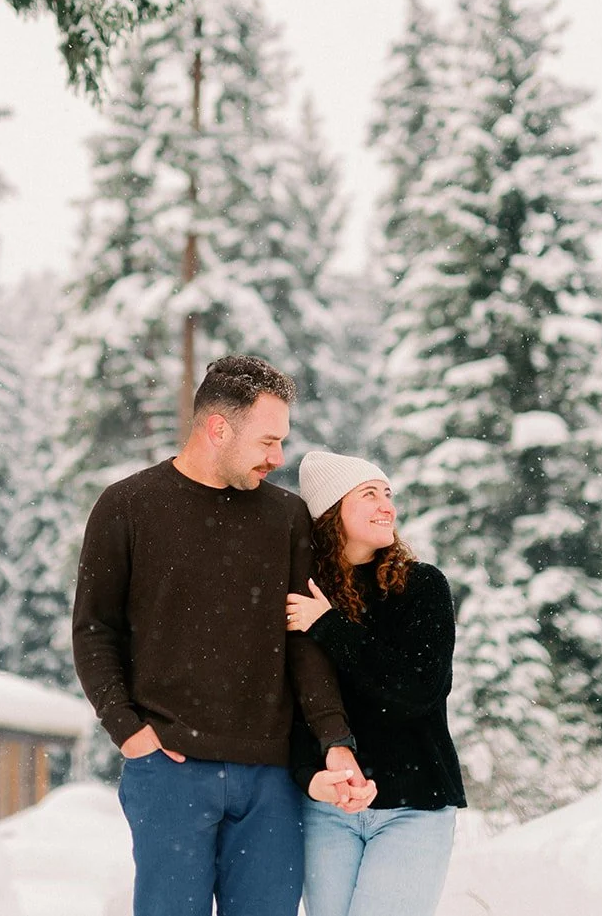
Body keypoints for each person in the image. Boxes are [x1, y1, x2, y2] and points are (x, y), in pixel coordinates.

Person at [73, 356, 376, 916]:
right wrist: (131, 734)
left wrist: (334, 739)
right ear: (218, 428)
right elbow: (94, 631)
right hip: (169, 770)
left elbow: (304, 642)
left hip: (272, 780)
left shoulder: (286, 517)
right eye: (267, 441)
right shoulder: (127, 506)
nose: (278, 457)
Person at [286, 451, 466, 916]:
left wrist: (329, 625)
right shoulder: (302, 594)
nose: (387, 505)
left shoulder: (422, 586)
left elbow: (417, 689)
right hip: (329, 809)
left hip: (414, 805)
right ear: (331, 512)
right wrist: (312, 779)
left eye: (388, 494)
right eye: (369, 494)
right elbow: (293, 702)